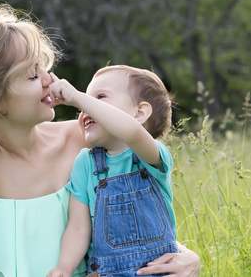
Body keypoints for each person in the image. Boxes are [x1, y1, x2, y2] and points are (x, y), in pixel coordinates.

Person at [0, 3, 200, 277]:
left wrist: (187, 257)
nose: (49, 79)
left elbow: (137, 217)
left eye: (42, 67)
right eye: (32, 75)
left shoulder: (86, 140)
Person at [46, 65, 181, 276]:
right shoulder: (85, 163)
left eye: (99, 97)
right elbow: (79, 228)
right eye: (83, 102)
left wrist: (77, 96)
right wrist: (64, 267)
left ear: (140, 113)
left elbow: (131, 132)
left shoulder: (151, 156)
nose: (85, 108)